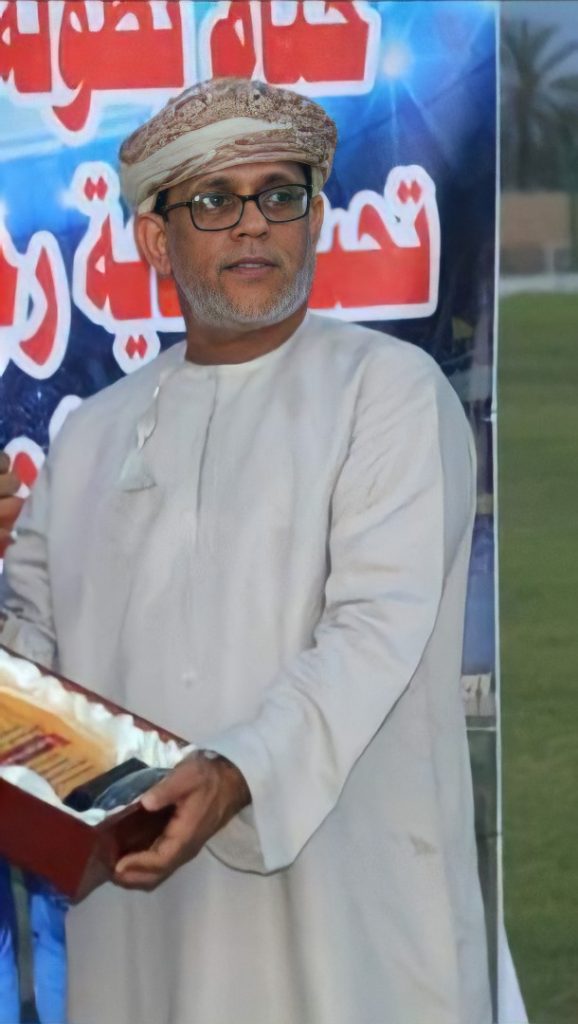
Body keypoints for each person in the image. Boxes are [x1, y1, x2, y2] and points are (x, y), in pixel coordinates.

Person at [0, 77, 492, 1024]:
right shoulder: (91, 438)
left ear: (316, 220)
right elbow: (28, 674)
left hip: (345, 913)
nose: (254, 224)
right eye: (215, 201)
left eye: (280, 194)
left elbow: (373, 633)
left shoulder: (389, 392)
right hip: (149, 915)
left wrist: (236, 774)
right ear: (155, 238)